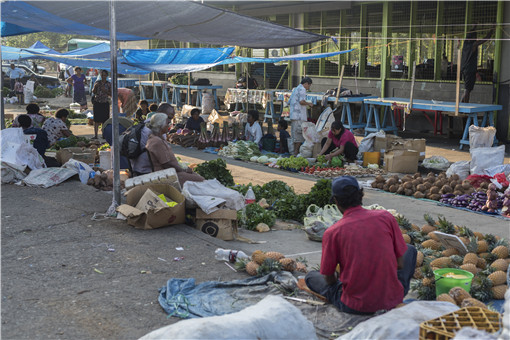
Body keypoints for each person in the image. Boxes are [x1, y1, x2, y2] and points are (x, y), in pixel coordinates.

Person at [305, 176, 416, 315]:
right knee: (410, 250)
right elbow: (399, 264)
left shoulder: (333, 232)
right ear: (361, 195)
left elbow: (329, 278)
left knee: (311, 277)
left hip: (356, 305)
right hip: (392, 298)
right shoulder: (386, 217)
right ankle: (392, 290)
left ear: (336, 201)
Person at [145, 113, 205, 187]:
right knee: (203, 182)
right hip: (167, 174)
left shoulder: (159, 138)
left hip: (172, 171)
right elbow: (166, 164)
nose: (169, 125)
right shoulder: (156, 141)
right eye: (167, 123)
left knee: (198, 177)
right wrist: (183, 170)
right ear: (161, 126)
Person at [130, 103, 175, 176]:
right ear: (160, 114)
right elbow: (165, 161)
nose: (170, 121)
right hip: (146, 170)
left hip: (139, 167)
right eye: (169, 118)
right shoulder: (155, 131)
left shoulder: (149, 123)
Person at [461, 25, 494, 103]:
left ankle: (462, 105)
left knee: (467, 90)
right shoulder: (473, 45)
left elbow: (470, 33)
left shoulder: (465, 43)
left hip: (465, 69)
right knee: (467, 90)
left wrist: (474, 27)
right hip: (470, 70)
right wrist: (492, 29)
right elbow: (486, 39)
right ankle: (463, 107)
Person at [289, 77, 313, 156]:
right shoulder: (302, 89)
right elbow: (302, 101)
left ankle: (293, 152)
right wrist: (309, 104)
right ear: (306, 84)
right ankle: (296, 153)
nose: (308, 87)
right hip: (299, 116)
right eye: (309, 86)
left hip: (294, 115)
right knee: (299, 135)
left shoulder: (296, 88)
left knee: (294, 135)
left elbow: (290, 101)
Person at [91, 70, 112, 139]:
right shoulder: (97, 83)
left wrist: (105, 90)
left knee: (105, 120)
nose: (103, 77)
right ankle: (96, 135)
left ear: (106, 76)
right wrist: (95, 87)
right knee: (96, 120)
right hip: (97, 102)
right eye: (102, 75)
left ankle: (103, 134)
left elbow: (111, 93)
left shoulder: (108, 84)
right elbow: (93, 92)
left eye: (105, 75)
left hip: (105, 102)